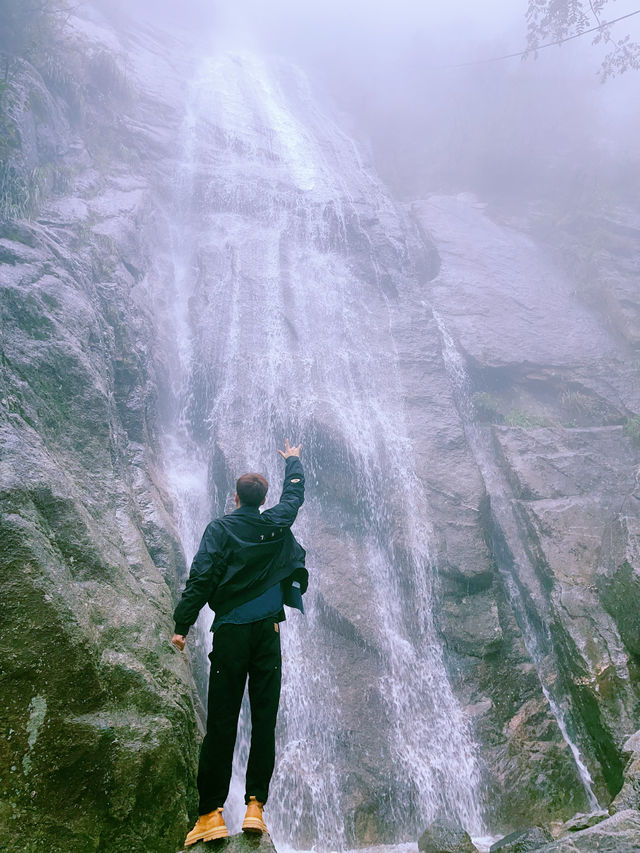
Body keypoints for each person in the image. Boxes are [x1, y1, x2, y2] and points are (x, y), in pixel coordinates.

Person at [171, 439, 307, 847]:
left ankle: (211, 814)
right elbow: (296, 495)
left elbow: (201, 578)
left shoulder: (220, 528)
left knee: (222, 722)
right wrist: (293, 461)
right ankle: (254, 808)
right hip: (268, 634)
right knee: (264, 720)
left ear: (235, 498)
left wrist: (183, 623)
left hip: (230, 634)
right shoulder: (276, 521)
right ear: (264, 500)